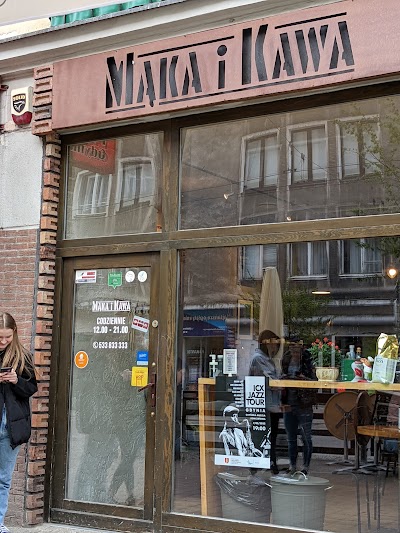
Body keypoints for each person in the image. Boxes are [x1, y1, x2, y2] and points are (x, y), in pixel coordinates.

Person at [0, 312, 37, 533]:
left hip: (11, 428)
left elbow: (31, 388)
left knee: (3, 478)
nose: (4, 341)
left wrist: (16, 381)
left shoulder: (23, 356)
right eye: (0, 337)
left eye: (7, 337)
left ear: (14, 333)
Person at [248, 330, 284, 474]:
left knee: (270, 436)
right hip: (265, 406)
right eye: (274, 344)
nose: (275, 348)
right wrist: (281, 382)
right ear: (267, 344)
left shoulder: (266, 359)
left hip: (270, 405)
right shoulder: (259, 359)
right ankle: (259, 466)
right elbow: (270, 381)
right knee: (263, 436)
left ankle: (269, 463)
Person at [281, 341, 317, 475]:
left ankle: (305, 466)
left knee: (306, 436)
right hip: (289, 403)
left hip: (304, 403)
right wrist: (284, 378)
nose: (294, 351)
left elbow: (315, 382)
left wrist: (304, 379)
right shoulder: (286, 360)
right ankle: (292, 465)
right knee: (291, 437)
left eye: (297, 348)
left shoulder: (307, 362)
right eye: (292, 347)